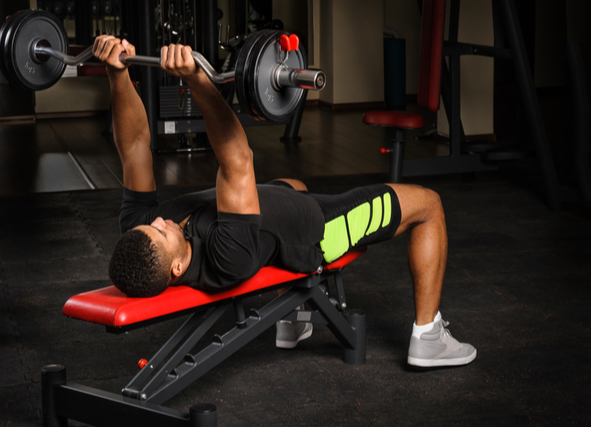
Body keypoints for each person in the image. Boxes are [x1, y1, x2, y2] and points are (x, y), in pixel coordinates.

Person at [93, 35, 476, 368]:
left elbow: (133, 147)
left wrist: (117, 73)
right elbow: (237, 157)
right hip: (321, 229)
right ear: (177, 268)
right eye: (160, 233)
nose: (159, 221)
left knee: (291, 184)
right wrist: (196, 79)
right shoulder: (226, 255)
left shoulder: (141, 233)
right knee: (428, 205)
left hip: (278, 213)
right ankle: (428, 339)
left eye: (151, 225)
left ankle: (295, 317)